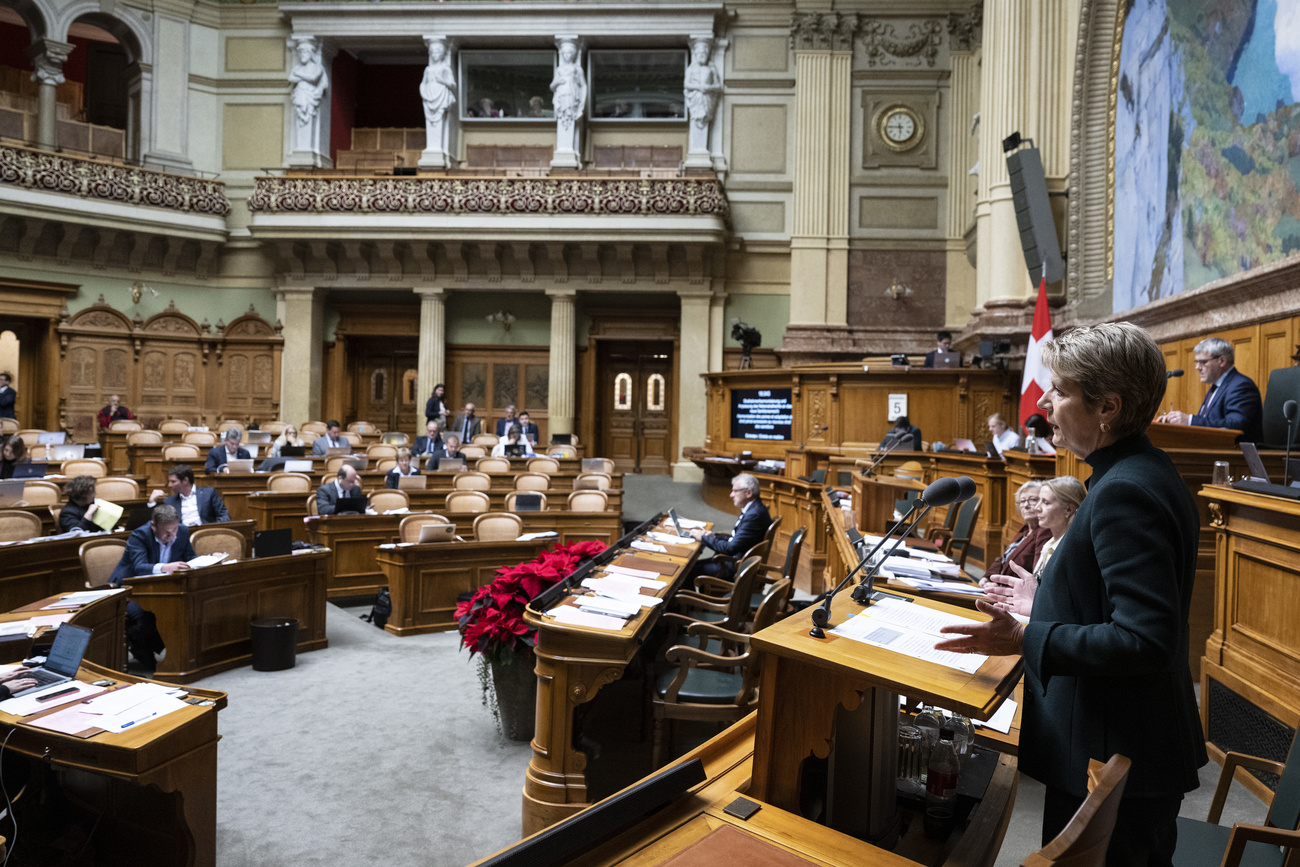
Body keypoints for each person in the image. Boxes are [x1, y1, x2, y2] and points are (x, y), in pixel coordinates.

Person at [935, 322, 1206, 866]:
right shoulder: (1132, 473)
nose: (1045, 401)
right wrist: (1047, 599)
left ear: (1107, 406)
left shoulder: (1124, 490)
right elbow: (1113, 601)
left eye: (1059, 390)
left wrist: (1026, 633)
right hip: (1112, 739)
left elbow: (1145, 638)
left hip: (1116, 748)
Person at [983, 475, 1086, 616]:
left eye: (1045, 502)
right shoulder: (1049, 544)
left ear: (1068, 510)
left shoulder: (1073, 550)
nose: (1037, 508)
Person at [109, 504, 189, 671]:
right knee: (146, 614)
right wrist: (164, 567)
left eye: (174, 529)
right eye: (167, 532)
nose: (172, 535)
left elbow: (190, 558)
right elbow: (139, 567)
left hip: (163, 588)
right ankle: (138, 646)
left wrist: (209, 559)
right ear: (153, 526)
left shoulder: (182, 531)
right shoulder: (139, 535)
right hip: (129, 589)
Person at [1156, 337, 1263, 442]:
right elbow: (1206, 421)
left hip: (1235, 454)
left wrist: (1189, 420)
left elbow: (1235, 425)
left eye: (1203, 362)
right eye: (1196, 362)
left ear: (1221, 361)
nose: (1197, 367)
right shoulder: (1217, 386)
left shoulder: (1241, 385)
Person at [687, 473, 772, 582]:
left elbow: (731, 548)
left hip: (736, 568)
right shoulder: (754, 509)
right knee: (689, 567)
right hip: (738, 561)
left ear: (748, 493)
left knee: (687, 572)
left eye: (735, 491)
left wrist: (703, 538)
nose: (731, 495)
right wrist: (713, 537)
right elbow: (737, 540)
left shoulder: (754, 515)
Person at [981, 481, 1051, 582]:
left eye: (1033, 500)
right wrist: (987, 577)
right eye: (1022, 501)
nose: (1026, 505)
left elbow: (1035, 574)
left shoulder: (1044, 532)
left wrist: (999, 584)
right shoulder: (1026, 529)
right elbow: (1004, 558)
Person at [147, 464, 229, 526]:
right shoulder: (169, 501)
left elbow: (224, 515)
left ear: (185, 480)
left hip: (206, 534)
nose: (169, 485)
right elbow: (157, 524)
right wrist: (152, 502)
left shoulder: (209, 493)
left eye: (173, 481)